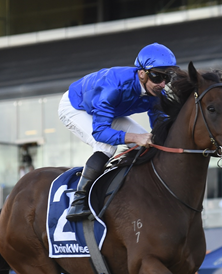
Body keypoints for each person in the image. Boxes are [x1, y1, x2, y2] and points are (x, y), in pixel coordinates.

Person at [60, 43, 178, 222]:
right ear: (142, 73)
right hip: (76, 107)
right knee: (105, 146)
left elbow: (159, 126)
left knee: (149, 145)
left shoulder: (155, 92)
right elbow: (100, 132)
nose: (162, 84)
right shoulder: (113, 87)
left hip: (107, 110)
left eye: (167, 78)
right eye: (157, 77)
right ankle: (78, 201)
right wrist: (135, 138)